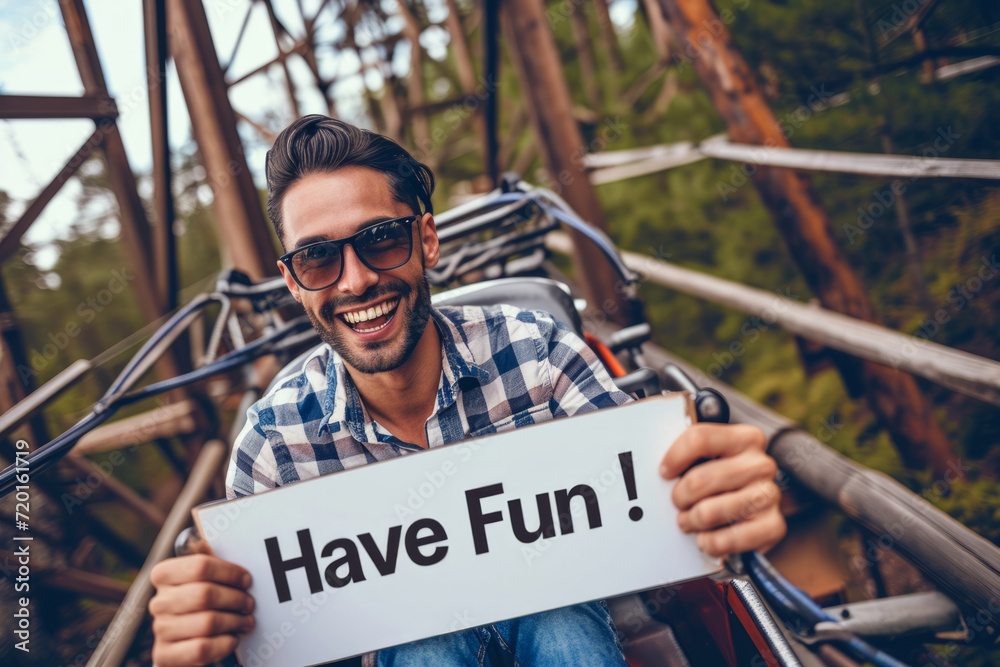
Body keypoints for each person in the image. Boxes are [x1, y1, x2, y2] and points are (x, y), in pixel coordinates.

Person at [148, 115, 785, 667]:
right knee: (421, 645)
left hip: (571, 622)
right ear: (293, 282)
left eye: (381, 240)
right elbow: (265, 637)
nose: (356, 281)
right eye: (317, 260)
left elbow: (663, 508)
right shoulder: (273, 447)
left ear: (426, 240)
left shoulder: (537, 355)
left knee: (553, 618)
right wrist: (210, 640)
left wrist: (724, 500)